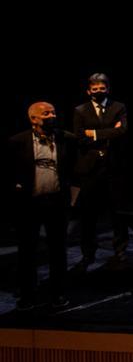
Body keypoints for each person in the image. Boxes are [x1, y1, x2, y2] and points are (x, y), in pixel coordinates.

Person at [7, 102, 75, 310]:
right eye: (46, 113)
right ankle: (27, 295)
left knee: (58, 250)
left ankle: (58, 293)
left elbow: (75, 170)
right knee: (27, 250)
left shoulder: (66, 139)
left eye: (54, 112)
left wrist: (71, 198)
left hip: (56, 202)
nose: (52, 116)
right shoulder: (17, 142)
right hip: (30, 204)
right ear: (33, 119)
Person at [72, 73, 130, 265]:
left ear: (107, 89)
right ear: (88, 91)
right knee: (88, 214)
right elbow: (80, 137)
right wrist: (109, 132)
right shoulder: (80, 111)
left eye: (102, 88)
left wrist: (94, 133)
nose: (98, 91)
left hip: (114, 167)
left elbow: (122, 132)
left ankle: (120, 250)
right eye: (94, 89)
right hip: (90, 169)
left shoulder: (118, 107)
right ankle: (88, 252)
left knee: (118, 213)